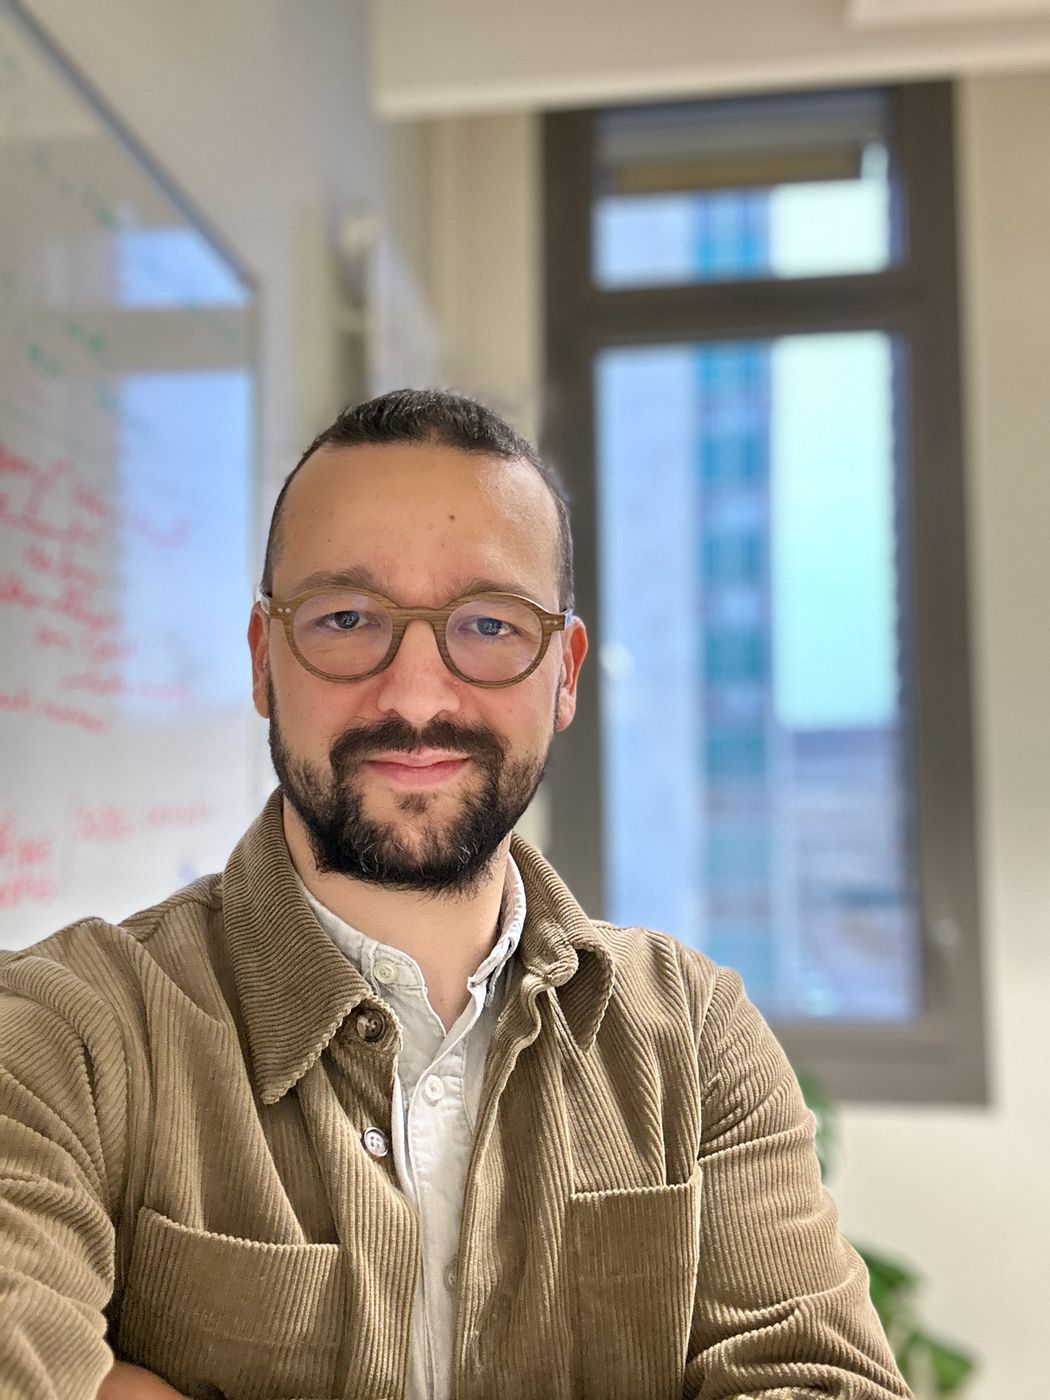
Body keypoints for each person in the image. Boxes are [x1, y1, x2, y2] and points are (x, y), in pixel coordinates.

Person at [0, 389, 912, 1400]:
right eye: (347, 618)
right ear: (264, 660)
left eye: (487, 624)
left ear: (563, 673)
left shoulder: (692, 1044)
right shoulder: (61, 1036)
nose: (417, 696)